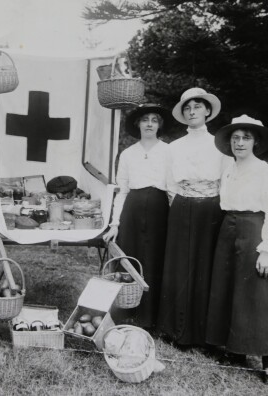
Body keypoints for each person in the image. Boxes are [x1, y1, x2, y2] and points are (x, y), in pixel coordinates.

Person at [206, 115, 268, 379]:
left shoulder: (266, 171)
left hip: (254, 230)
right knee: (228, 288)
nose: (240, 143)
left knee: (255, 292)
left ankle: (266, 358)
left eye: (246, 138)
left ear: (256, 142)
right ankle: (235, 350)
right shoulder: (229, 169)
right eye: (235, 138)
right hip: (228, 227)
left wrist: (266, 249)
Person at [157, 87, 232, 346]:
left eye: (197, 107)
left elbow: (226, 181)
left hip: (211, 208)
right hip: (181, 206)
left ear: (207, 111)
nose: (192, 112)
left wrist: (217, 207)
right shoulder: (173, 147)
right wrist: (179, 204)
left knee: (204, 267)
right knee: (179, 265)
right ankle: (175, 329)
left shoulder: (220, 145)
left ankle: (202, 333)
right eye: (187, 108)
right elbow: (169, 183)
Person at [103, 103, 171, 329]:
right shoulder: (128, 154)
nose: (149, 124)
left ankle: (150, 318)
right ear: (138, 124)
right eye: (145, 120)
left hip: (159, 211)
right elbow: (122, 191)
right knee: (129, 258)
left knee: (154, 259)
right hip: (132, 210)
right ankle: (125, 312)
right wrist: (115, 224)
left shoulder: (168, 151)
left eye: (154, 120)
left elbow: (172, 190)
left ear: (159, 125)